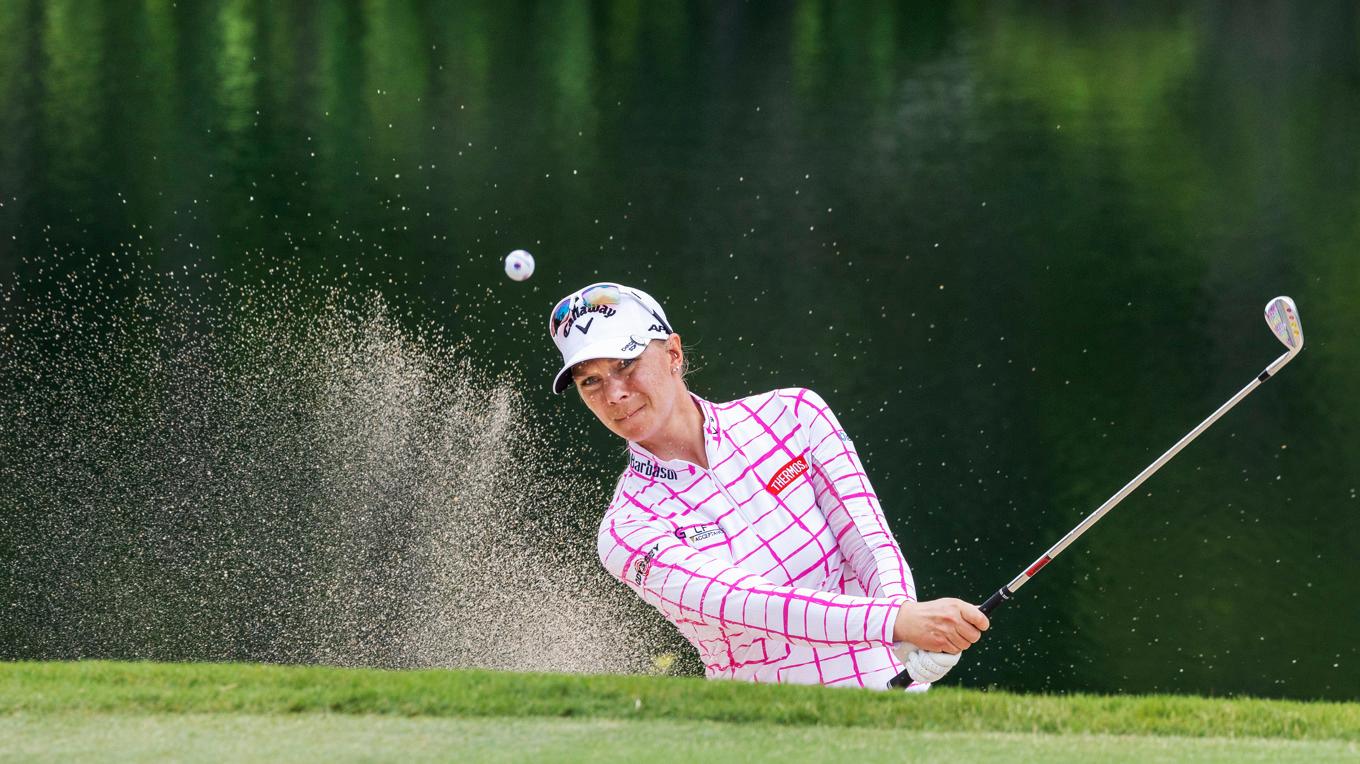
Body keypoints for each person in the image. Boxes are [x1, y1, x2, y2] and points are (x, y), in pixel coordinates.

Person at [548, 282, 988, 690]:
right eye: (591, 381)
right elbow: (749, 603)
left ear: (673, 354)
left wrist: (908, 631)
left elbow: (868, 540)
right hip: (764, 729)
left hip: (891, 698)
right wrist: (897, 621)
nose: (615, 393)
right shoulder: (627, 528)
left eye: (627, 363)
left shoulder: (794, 415)